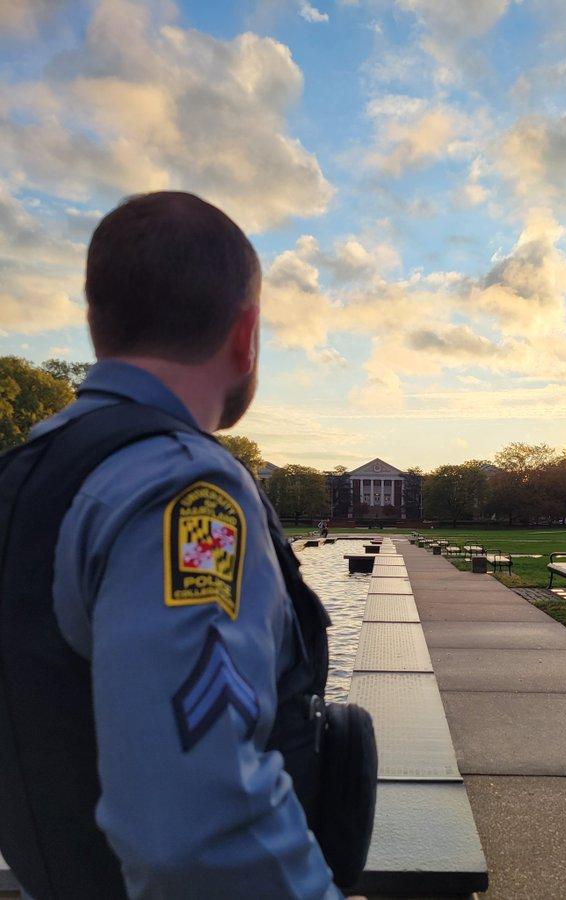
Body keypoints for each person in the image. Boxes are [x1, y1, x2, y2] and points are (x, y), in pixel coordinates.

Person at [0, 192, 364, 899]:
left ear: (98, 326)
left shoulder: (25, 472)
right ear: (245, 333)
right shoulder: (183, 490)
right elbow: (196, 829)